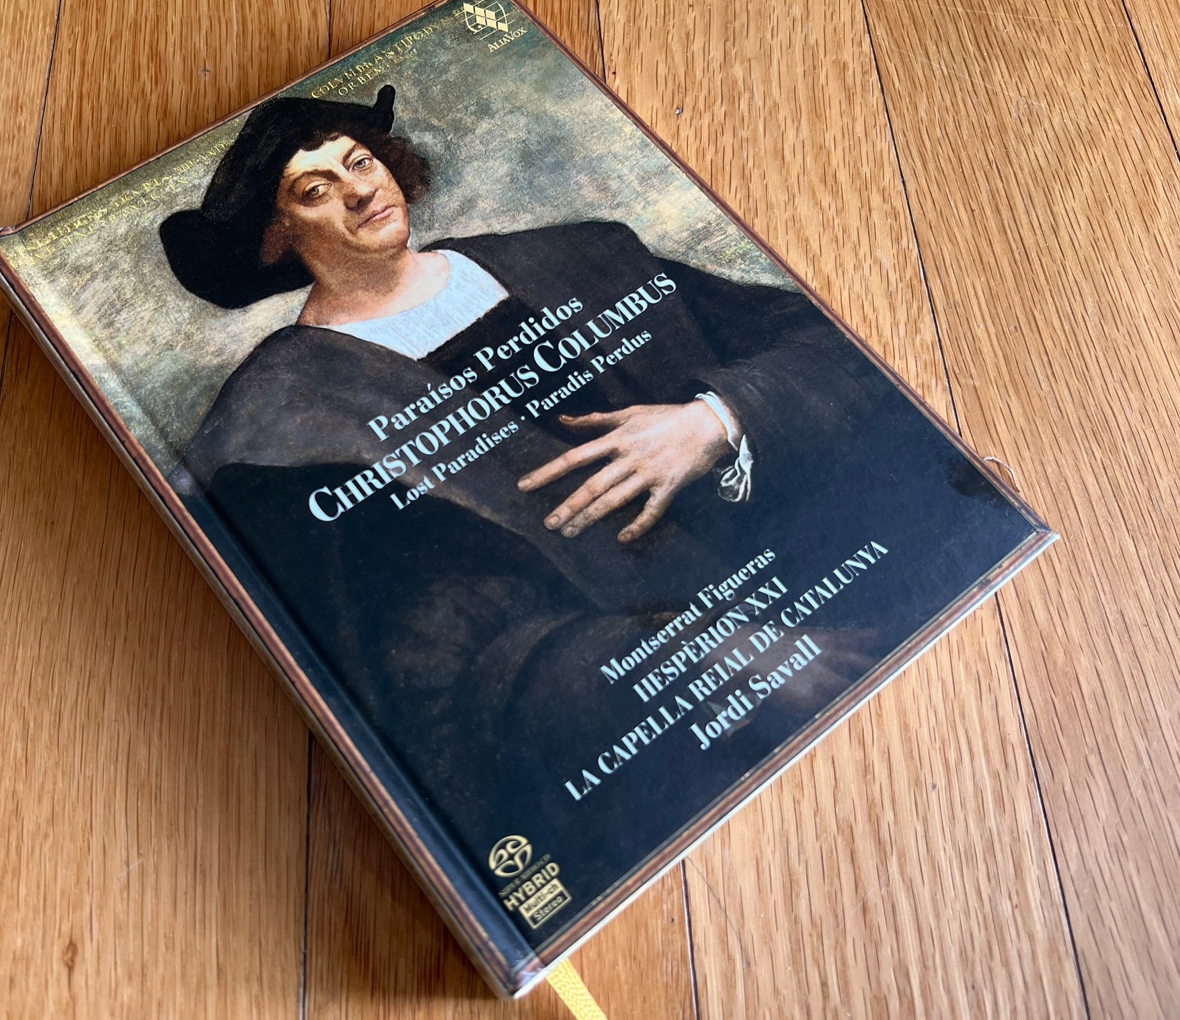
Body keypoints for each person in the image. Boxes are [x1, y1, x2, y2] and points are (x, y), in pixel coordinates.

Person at [160, 85, 889, 873]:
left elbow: (834, 351)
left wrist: (715, 417)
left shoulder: (581, 256)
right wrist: (695, 652)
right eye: (315, 189)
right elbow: (426, 677)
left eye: (360, 162)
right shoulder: (283, 425)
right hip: (662, 726)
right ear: (277, 238)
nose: (360, 190)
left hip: (857, 591)